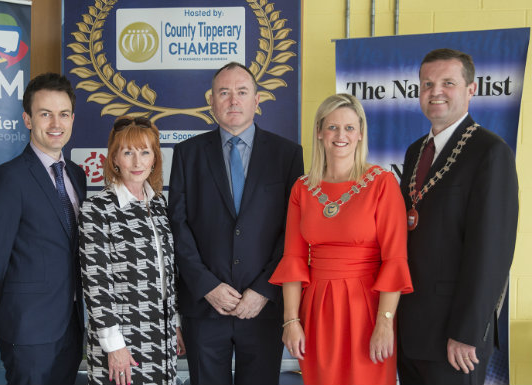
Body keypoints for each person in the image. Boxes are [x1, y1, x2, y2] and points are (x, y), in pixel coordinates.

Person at [168, 62, 304, 385]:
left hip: (263, 308)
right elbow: (178, 225)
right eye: (224, 93)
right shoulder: (187, 153)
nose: (233, 100)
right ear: (211, 101)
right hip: (204, 308)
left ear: (257, 101)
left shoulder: (287, 155)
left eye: (242, 92)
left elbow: (295, 229)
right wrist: (207, 287)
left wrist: (264, 289)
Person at [269, 93, 413, 385]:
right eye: (332, 127)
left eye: (349, 127)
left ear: (361, 134)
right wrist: (291, 320)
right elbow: (294, 260)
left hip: (368, 308)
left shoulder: (382, 183)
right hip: (318, 309)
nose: (341, 135)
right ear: (320, 132)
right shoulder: (302, 188)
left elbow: (395, 259)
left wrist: (385, 322)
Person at [397, 48, 518, 385]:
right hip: (411, 329)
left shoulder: (490, 152)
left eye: (448, 82)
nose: (435, 92)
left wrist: (467, 332)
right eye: (427, 84)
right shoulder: (415, 151)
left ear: (471, 89)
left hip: (455, 337)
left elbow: (492, 252)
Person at [0, 73, 87, 385]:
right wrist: (11, 315)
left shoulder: (77, 176)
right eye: (45, 114)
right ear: (27, 119)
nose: (56, 123)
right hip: (27, 328)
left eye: (63, 114)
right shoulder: (9, 177)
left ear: (72, 118)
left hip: (71, 326)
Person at [79, 116, 185, 385]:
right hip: (121, 337)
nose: (137, 162)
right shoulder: (98, 208)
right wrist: (113, 345)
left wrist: (175, 325)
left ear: (154, 159)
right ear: (114, 158)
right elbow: (96, 283)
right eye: (128, 153)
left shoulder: (160, 205)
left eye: (144, 152)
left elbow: (168, 274)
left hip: (162, 334)